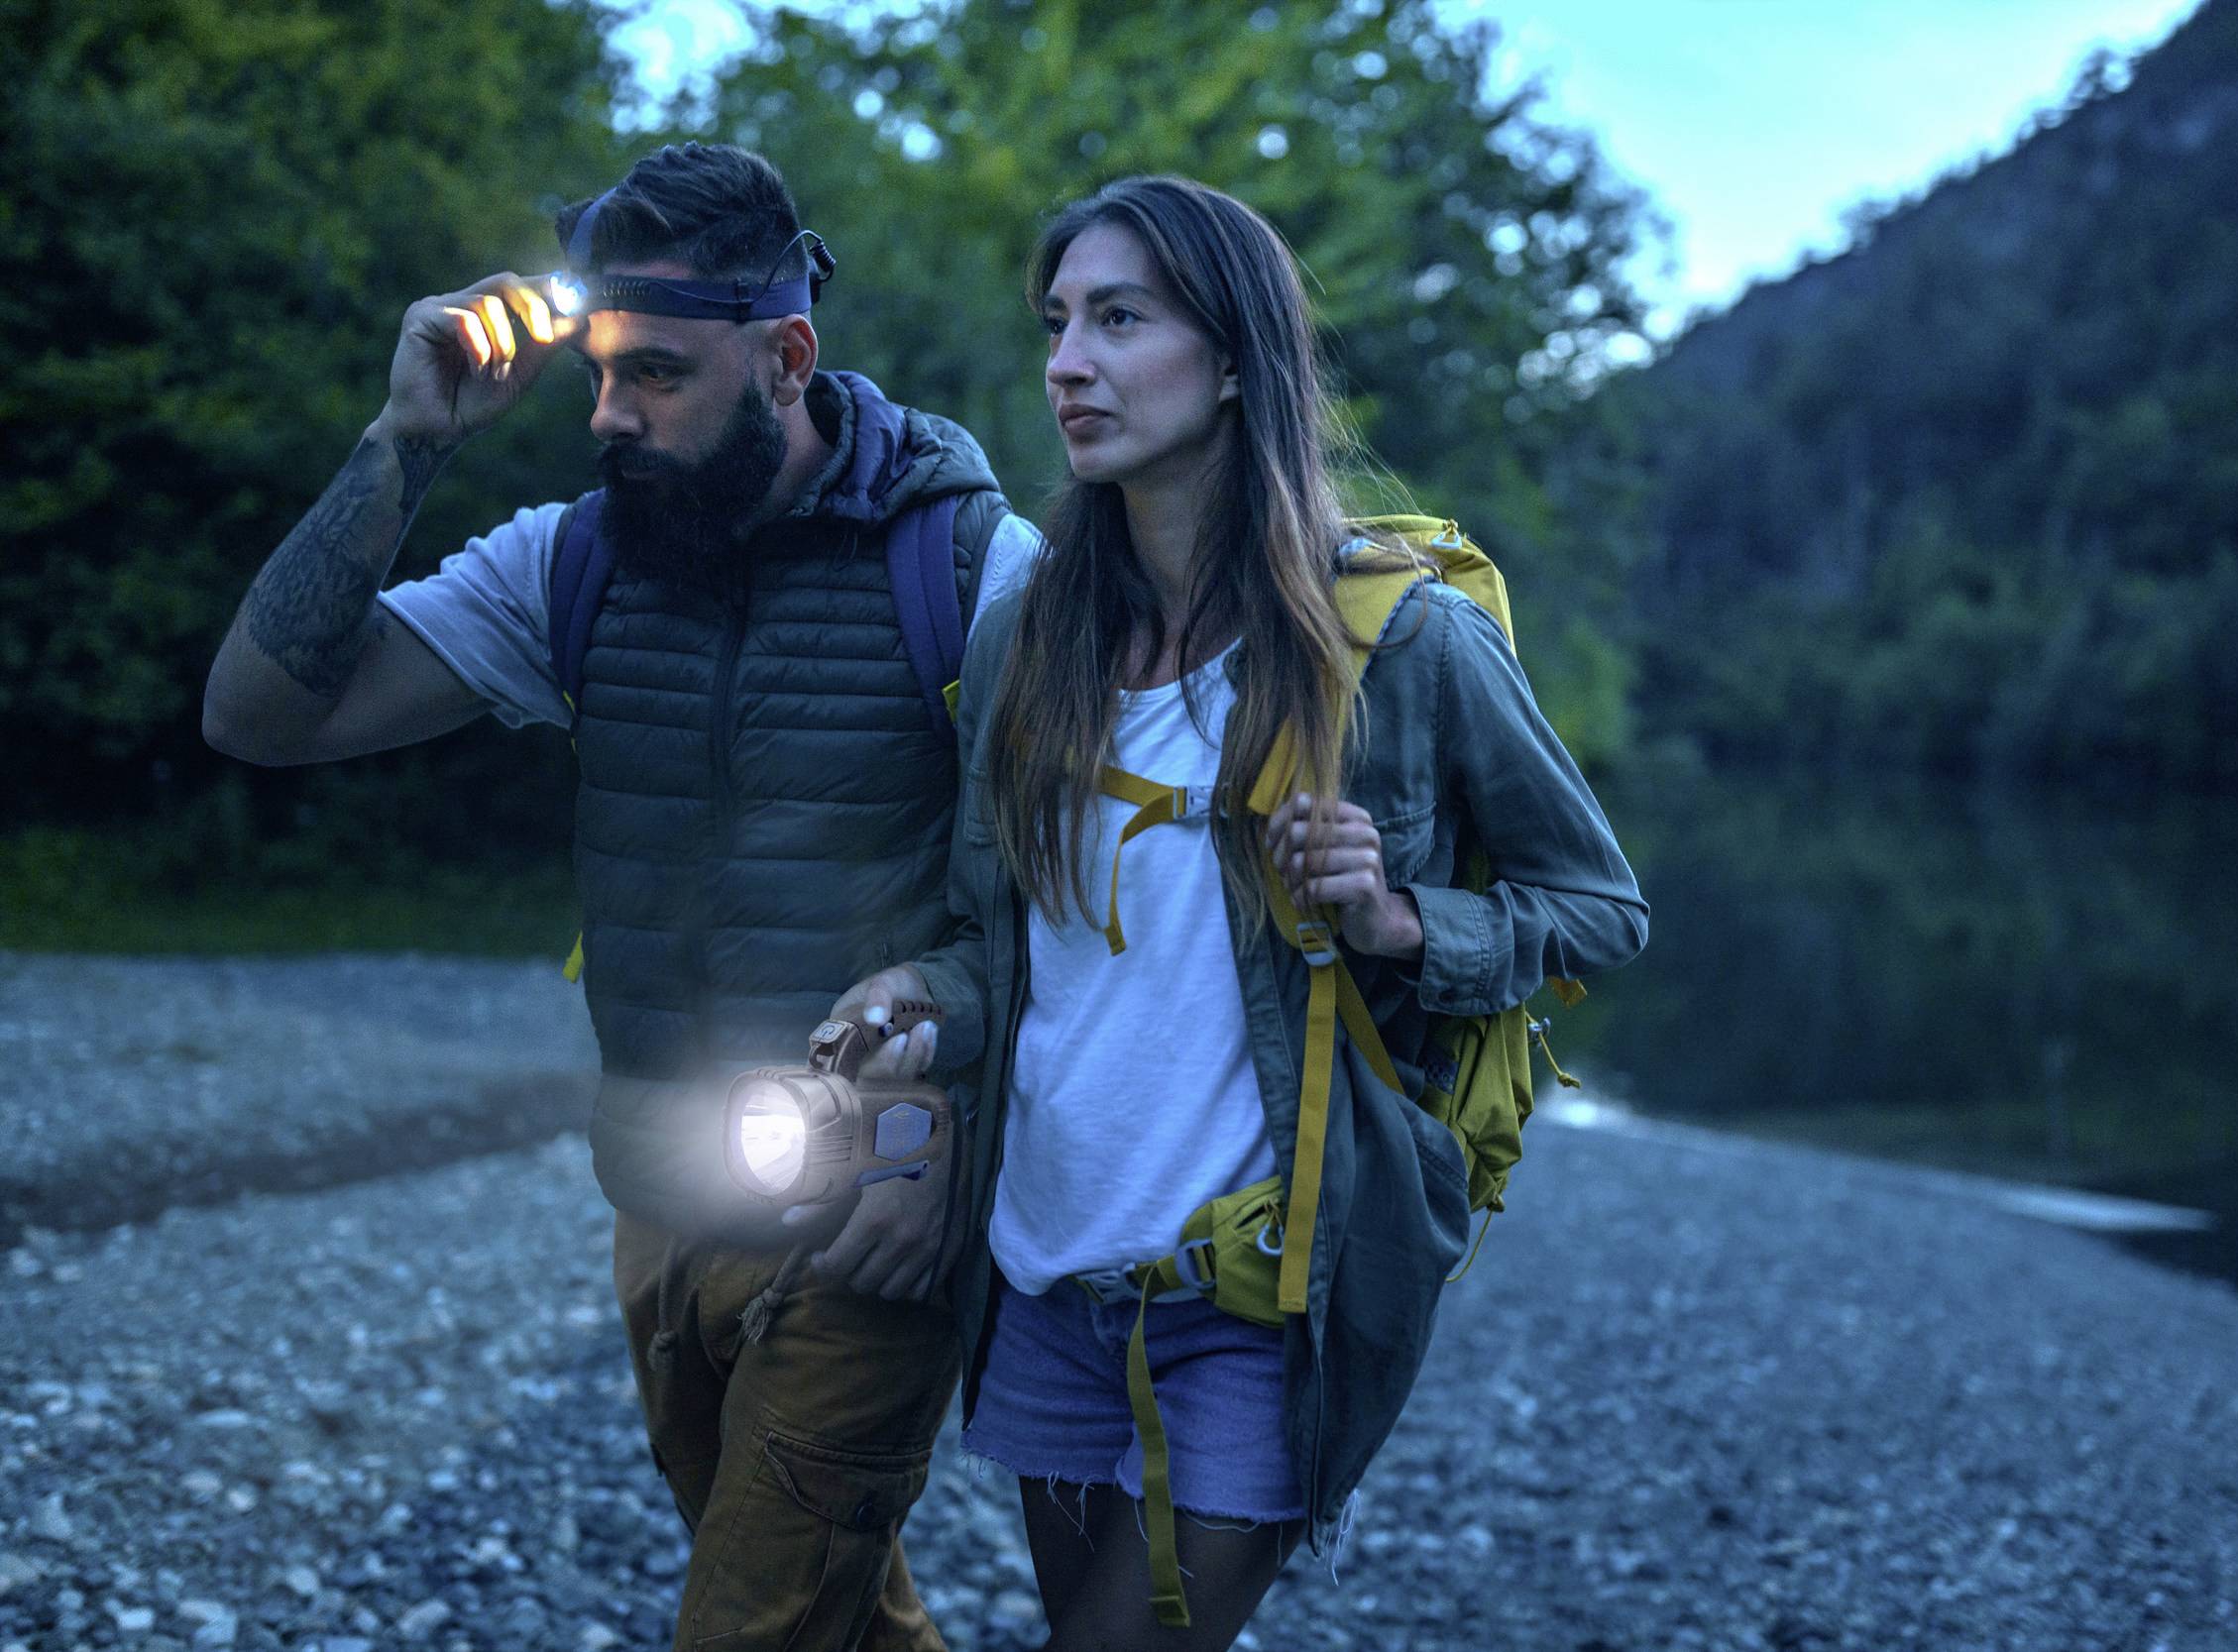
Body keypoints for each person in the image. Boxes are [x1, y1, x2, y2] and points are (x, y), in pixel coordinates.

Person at [200, 143, 1038, 1652]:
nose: (608, 418)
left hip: (868, 1205)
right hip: (658, 1191)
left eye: (653, 377)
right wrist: (408, 438)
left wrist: (935, 1133)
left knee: (745, 1628)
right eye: (598, 376)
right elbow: (260, 717)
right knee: (835, 1610)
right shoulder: (576, 563)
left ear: (787, 358)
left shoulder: (976, 571)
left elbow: (1064, 907)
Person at [830, 175, 1649, 1650]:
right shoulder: (1030, 631)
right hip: (1044, 1270)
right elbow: (992, 944)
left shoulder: (1401, 641)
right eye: (1058, 322)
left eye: (1119, 319)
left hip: (1258, 1293)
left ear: (1233, 359)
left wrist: (1407, 924)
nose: (1068, 361)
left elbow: (1600, 909)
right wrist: (915, 1000)